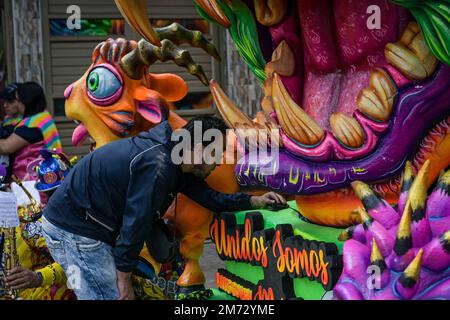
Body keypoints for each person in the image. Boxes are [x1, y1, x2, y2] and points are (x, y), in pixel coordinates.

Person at [42, 115, 286, 300]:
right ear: (200, 150)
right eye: (217, 154)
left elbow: (209, 197)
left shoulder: (178, 159)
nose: (219, 162)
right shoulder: (159, 166)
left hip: (85, 226)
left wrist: (253, 200)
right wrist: (123, 275)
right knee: (115, 295)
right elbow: (136, 221)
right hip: (74, 230)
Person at [4, 150, 75, 300]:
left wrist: (39, 277)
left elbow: (76, 264)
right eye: (51, 194)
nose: (55, 201)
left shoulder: (30, 221)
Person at [0, 82, 62, 183]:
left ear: (26, 102)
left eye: (19, 100)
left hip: (32, 180)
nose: (18, 105)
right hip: (47, 174)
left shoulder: (31, 126)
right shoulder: (43, 117)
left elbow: (5, 147)